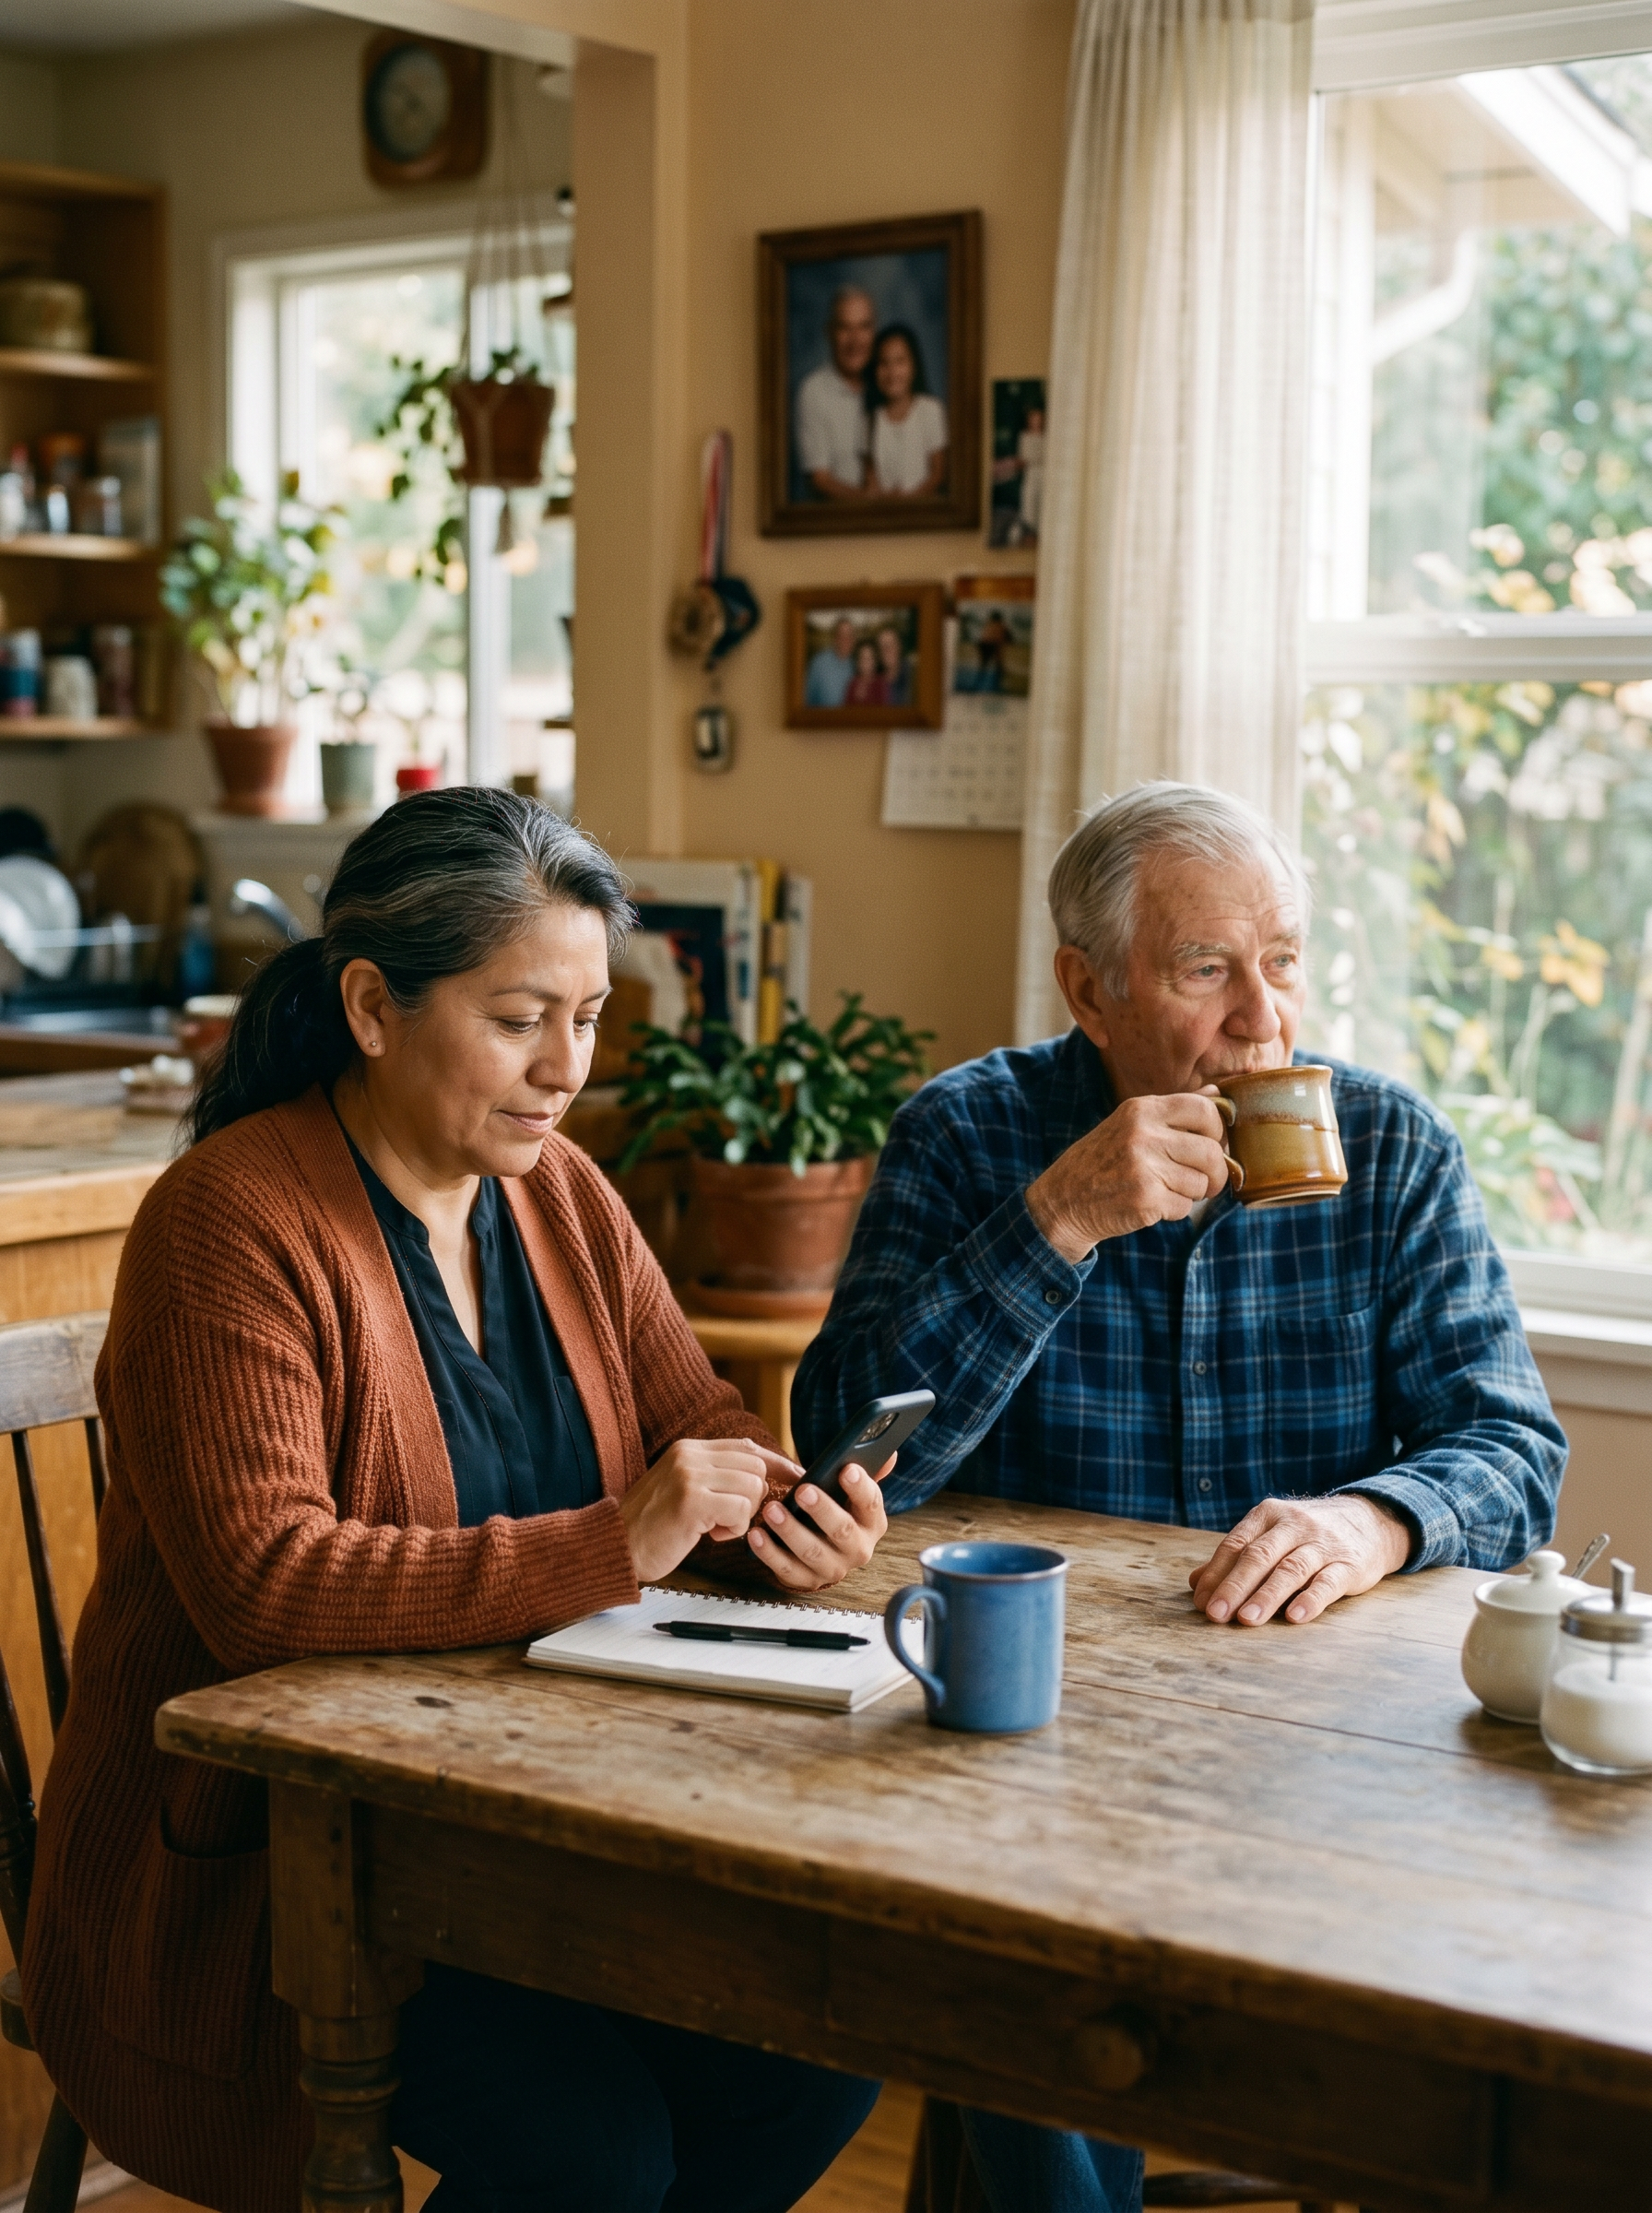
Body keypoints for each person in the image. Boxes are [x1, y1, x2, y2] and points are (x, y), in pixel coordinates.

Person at [24, 790, 889, 2213]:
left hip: (538, 1830)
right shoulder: (230, 1224)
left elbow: (703, 1426)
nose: (566, 1068)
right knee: (591, 2154)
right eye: (518, 1018)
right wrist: (621, 1542)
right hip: (284, 1873)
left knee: (815, 2060)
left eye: (592, 1017)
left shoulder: (563, 1195)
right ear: (372, 1006)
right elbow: (265, 1585)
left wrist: (779, 1517)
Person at [792, 779, 1566, 2213]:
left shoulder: (1389, 1152)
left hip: (1318, 1746)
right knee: (1028, 1987)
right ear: (1089, 989)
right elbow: (846, 1443)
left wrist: (1371, 1518)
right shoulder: (969, 1138)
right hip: (1037, 1744)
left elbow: (1513, 1447)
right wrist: (1060, 1217)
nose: (1261, 1020)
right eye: (1207, 970)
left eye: (1282, 962)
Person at [795, 283, 876, 500]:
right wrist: (872, 506)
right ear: (829, 332)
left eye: (864, 327)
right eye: (845, 328)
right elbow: (819, 480)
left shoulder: (885, 383)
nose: (855, 339)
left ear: (873, 332)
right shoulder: (813, 391)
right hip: (835, 527)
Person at [866, 324, 949, 498]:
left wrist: (909, 502)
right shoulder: (872, 418)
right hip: (886, 514)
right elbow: (872, 479)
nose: (892, 372)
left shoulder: (931, 410)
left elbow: (938, 474)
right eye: (884, 363)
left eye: (900, 361)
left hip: (924, 511)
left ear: (913, 366)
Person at [806, 614, 859, 708]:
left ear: (854, 639)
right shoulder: (819, 663)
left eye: (849, 635)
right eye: (841, 635)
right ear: (835, 638)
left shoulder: (857, 665)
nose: (845, 640)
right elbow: (806, 701)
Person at [876, 622, 913, 707]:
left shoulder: (913, 675)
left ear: (899, 646)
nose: (886, 650)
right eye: (882, 647)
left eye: (890, 645)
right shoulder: (876, 681)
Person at [844, 636, 886, 706]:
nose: (866, 662)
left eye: (869, 658)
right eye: (862, 658)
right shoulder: (853, 684)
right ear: (858, 662)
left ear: (875, 661)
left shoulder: (881, 684)